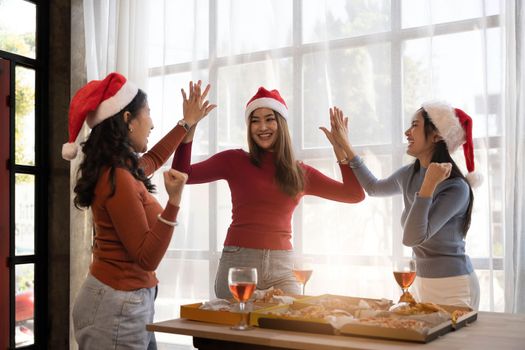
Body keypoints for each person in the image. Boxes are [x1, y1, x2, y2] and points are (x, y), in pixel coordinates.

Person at [64, 73, 215, 349]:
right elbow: (147, 257)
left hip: (125, 303)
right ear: (126, 120)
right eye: (148, 113)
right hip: (116, 306)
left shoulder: (123, 170)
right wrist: (174, 201)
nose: (152, 123)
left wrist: (186, 124)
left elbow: (155, 158)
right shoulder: (117, 177)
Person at [172, 86, 365, 299]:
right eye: (255, 120)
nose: (262, 127)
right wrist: (189, 126)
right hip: (238, 264)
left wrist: (342, 150)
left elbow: (354, 194)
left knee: (290, 327)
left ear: (281, 123)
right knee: (235, 330)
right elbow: (181, 174)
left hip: (282, 267)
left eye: (269, 119)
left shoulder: (299, 172)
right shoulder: (233, 161)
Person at [321, 102, 482, 310]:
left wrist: (429, 185)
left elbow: (412, 237)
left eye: (415, 125)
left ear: (437, 135)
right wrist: (345, 146)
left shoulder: (456, 187)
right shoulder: (410, 174)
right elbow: (373, 187)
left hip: (454, 285)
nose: (407, 132)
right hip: (421, 283)